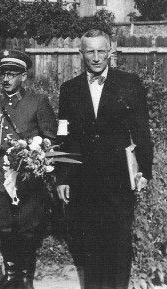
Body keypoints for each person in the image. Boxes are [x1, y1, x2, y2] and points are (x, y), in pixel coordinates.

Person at [57, 29, 153, 289]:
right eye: (90, 51)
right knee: (89, 244)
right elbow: (64, 136)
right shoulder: (69, 89)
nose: (96, 57)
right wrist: (63, 177)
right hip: (83, 180)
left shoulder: (129, 83)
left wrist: (144, 171)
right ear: (81, 54)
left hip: (120, 178)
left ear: (110, 51)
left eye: (101, 51)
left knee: (119, 242)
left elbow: (142, 132)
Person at [0, 49, 57, 288]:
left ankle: (24, 276)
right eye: (3, 74)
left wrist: (40, 161)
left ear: (23, 76)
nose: (7, 79)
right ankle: (8, 275)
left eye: (13, 74)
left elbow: (50, 140)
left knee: (28, 229)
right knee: (4, 227)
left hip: (26, 176)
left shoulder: (37, 102)